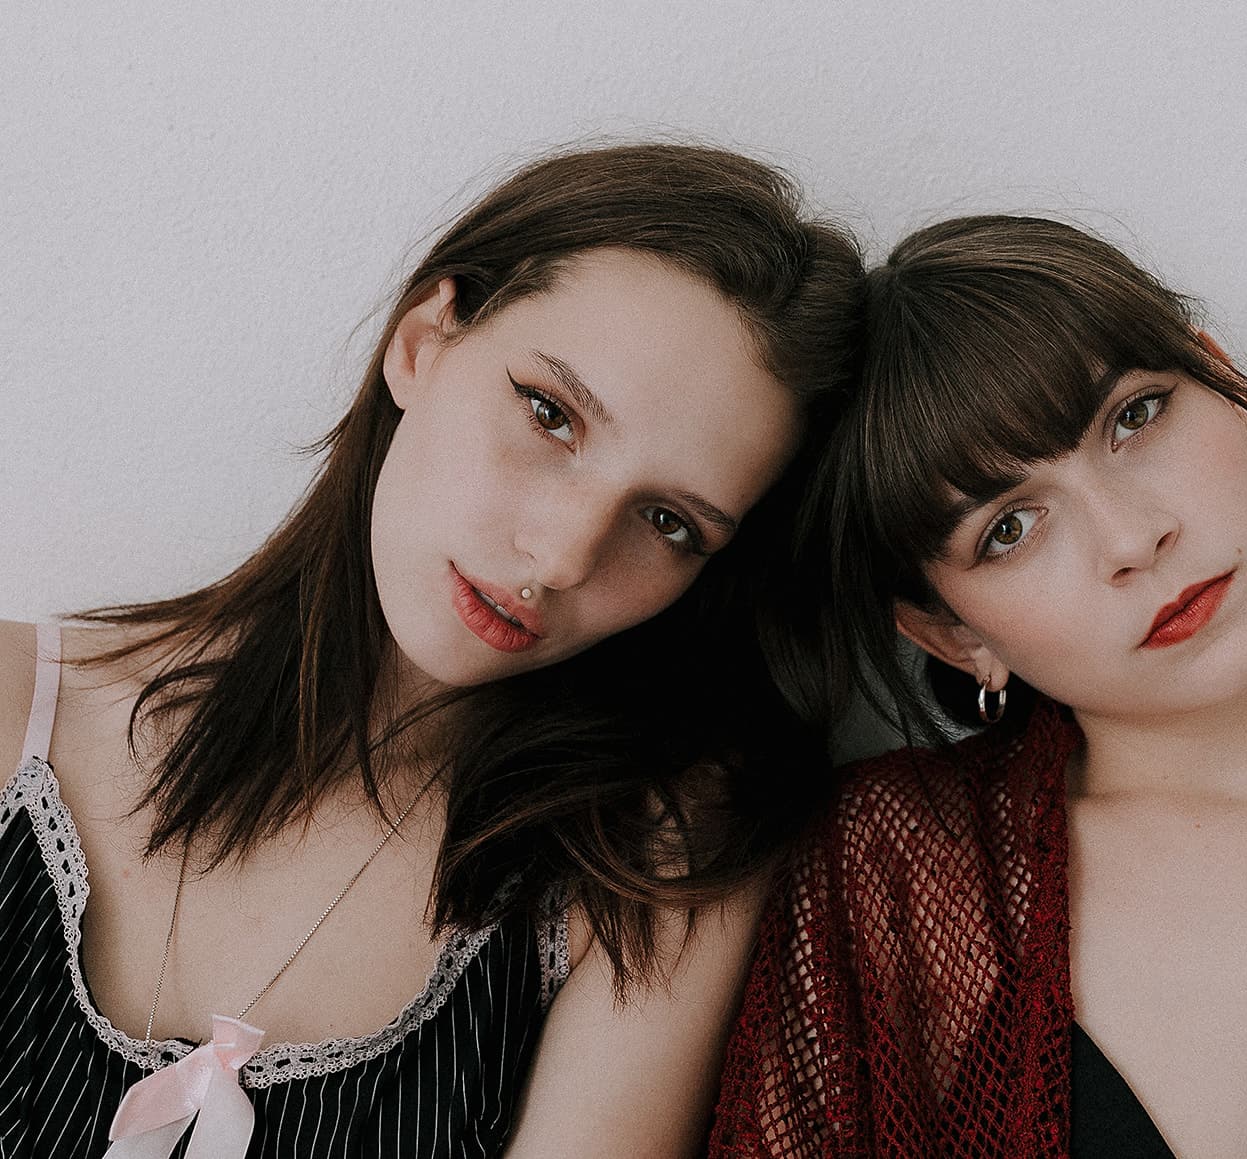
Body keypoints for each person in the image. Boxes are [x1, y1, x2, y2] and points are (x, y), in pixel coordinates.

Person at [1, 141, 866, 1158]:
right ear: (421, 342)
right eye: (550, 414)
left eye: (670, 521)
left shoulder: (647, 874)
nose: (562, 554)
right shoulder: (22, 710)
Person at [709, 214, 1247, 1158]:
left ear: (1232, 389)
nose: (1133, 540)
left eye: (1133, 417)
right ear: (952, 631)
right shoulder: (892, 875)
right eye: (1009, 528)